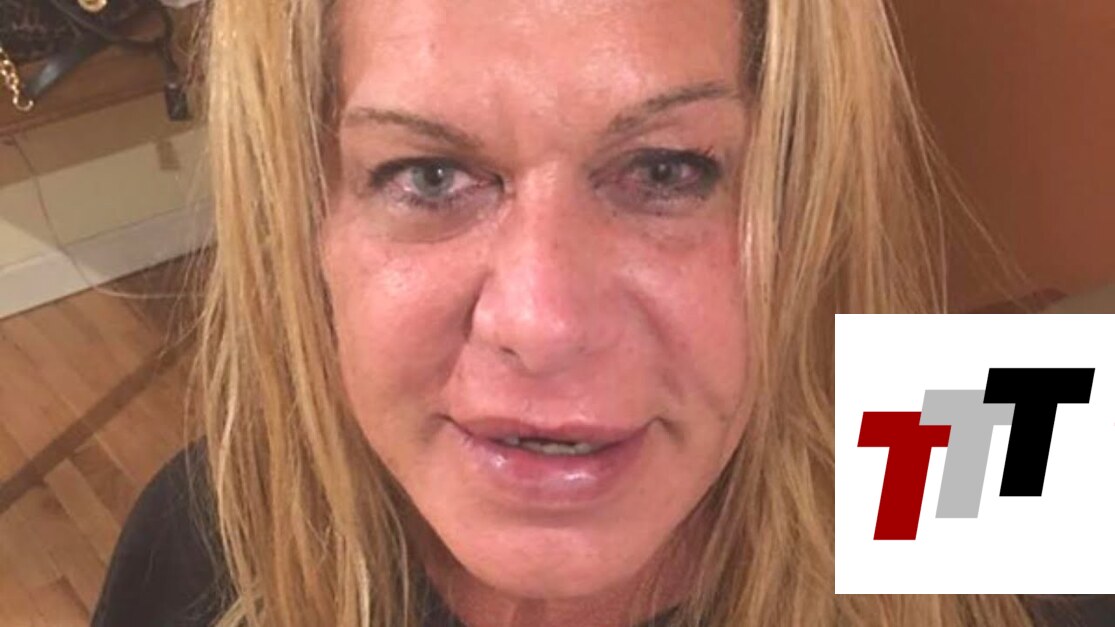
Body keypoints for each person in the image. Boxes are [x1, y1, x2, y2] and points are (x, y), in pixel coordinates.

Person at [91, 0, 1114, 625]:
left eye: (666, 170)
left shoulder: (990, 451)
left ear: (798, 189)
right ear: (304, 218)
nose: (543, 323)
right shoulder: (216, 529)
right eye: (428, 174)